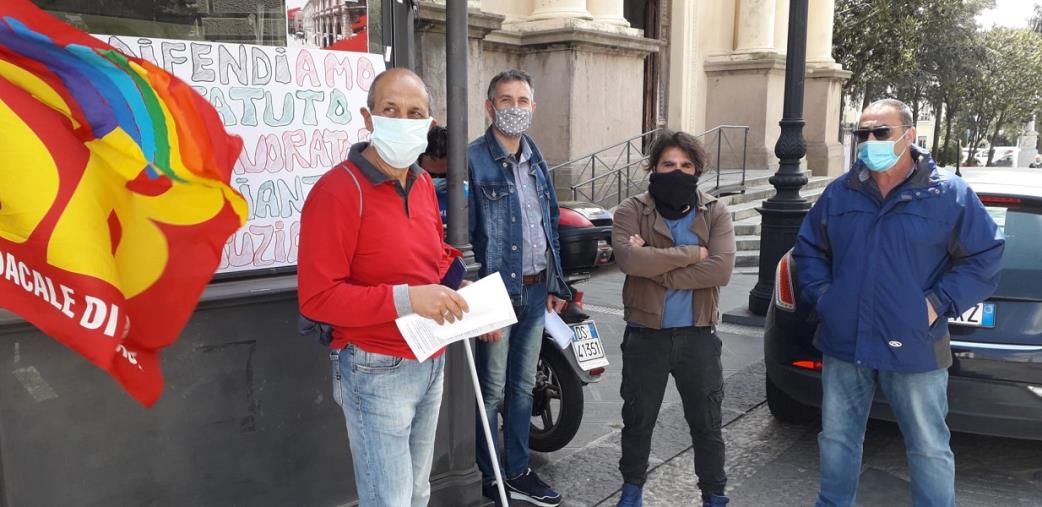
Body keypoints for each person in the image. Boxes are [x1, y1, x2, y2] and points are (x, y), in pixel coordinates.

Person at [794, 99, 1005, 507]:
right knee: (837, 439)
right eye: (863, 134)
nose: (870, 140)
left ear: (909, 135)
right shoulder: (841, 193)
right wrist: (826, 299)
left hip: (914, 344)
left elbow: (985, 256)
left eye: (881, 132)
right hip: (845, 341)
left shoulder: (950, 195)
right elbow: (808, 251)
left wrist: (936, 303)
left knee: (928, 446)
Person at [297, 68, 469, 507]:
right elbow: (319, 298)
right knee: (388, 500)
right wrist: (409, 298)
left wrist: (456, 286)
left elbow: (430, 256)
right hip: (375, 367)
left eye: (415, 112)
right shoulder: (337, 191)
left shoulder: (424, 183)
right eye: (390, 109)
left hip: (430, 355)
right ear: (369, 118)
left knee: (416, 492)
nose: (402, 118)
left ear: (429, 126)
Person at [610, 129, 736, 507]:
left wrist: (655, 264)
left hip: (698, 335)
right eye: (669, 164)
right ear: (654, 168)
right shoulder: (632, 210)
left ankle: (714, 495)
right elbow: (628, 260)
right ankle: (631, 492)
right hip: (646, 334)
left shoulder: (714, 211)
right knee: (637, 419)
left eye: (685, 165)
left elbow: (721, 271)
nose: (677, 171)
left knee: (707, 423)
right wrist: (693, 254)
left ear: (697, 170)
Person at [468, 69, 570, 506]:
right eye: (504, 100)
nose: (514, 108)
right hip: (496, 295)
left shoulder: (536, 157)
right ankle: (491, 476)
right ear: (490, 107)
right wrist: (480, 307)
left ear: (533, 107)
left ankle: (518, 471)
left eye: (522, 100)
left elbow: (550, 221)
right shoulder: (473, 159)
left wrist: (555, 281)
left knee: (522, 386)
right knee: (490, 391)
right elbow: (466, 241)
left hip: (533, 292)